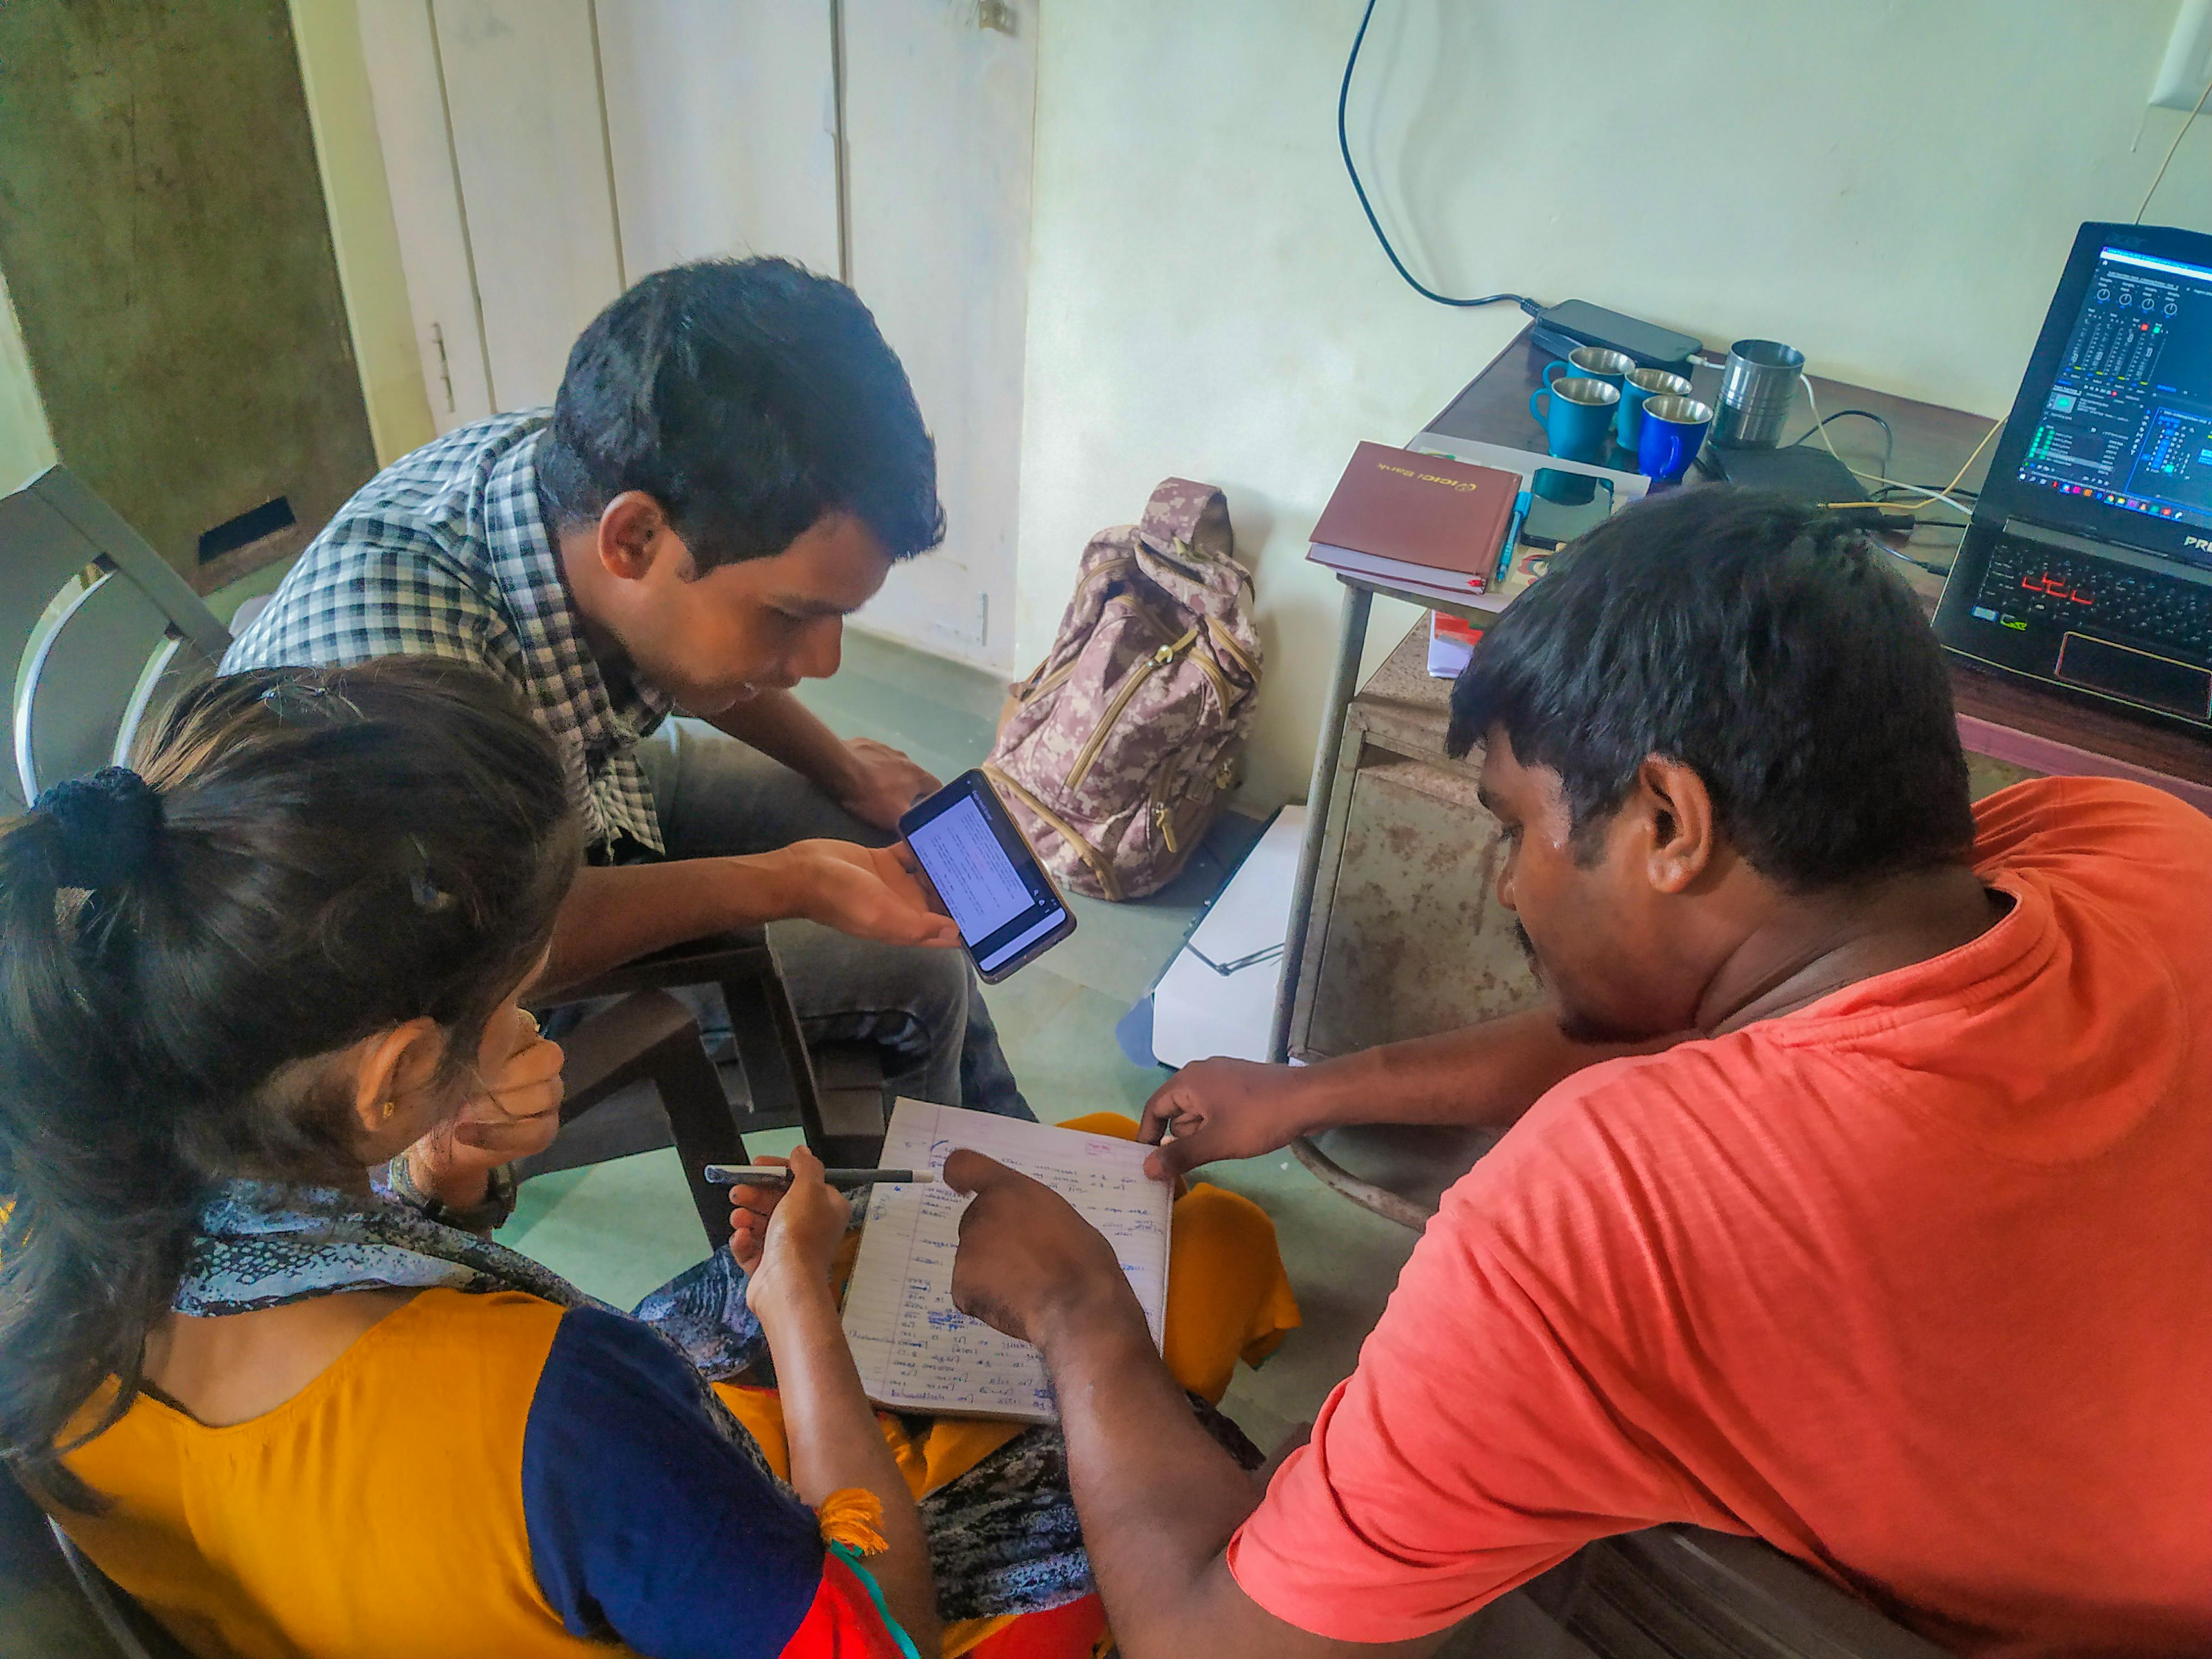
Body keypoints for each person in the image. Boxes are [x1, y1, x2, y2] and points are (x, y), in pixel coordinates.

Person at [938, 488, 2212, 1657]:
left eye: (1512, 827)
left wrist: (1079, 1315)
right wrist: (1310, 1088)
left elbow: (1207, 1642)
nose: (1506, 885)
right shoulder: (2132, 844)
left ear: (1667, 824)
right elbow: (1705, 1020)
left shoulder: (1595, 1211)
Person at [0, 659, 1297, 1659]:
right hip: (673, 1553)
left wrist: (430, 1190)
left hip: (458, 1575)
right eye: (516, 997)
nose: (531, 1027)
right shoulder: (559, 1404)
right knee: (1196, 1287)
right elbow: (877, 1636)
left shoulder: (47, 1222)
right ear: (389, 1074)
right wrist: (799, 1309)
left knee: (1085, 1169)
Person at [225, 257, 1029, 1167]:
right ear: (634, 537)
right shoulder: (407, 694)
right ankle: (935, 1226)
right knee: (920, 972)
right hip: (445, 975)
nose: (823, 663)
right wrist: (788, 880)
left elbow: (689, 653)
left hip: (577, 791)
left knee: (896, 846)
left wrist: (841, 771)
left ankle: (1024, 1156)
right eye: (791, 616)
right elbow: (510, 940)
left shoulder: (588, 467)